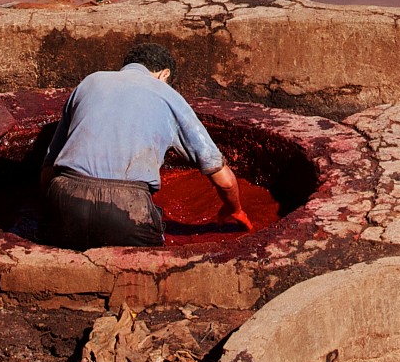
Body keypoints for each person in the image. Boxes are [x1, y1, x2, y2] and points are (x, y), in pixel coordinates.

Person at [39, 41, 254, 249]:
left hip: (64, 197)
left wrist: (52, 205)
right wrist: (235, 209)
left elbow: (49, 167)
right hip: (128, 210)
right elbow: (223, 179)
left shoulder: (89, 82)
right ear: (164, 74)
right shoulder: (169, 95)